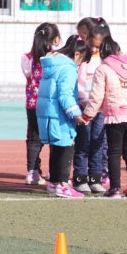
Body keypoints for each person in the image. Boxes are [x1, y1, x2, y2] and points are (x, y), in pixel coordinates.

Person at [82, 36, 127, 199]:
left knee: (114, 153)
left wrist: (88, 114)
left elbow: (96, 95)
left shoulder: (103, 69)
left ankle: (115, 188)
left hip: (115, 116)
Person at [36, 35, 89, 198]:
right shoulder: (68, 68)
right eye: (81, 62)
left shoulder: (53, 65)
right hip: (60, 115)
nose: (79, 66)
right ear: (78, 55)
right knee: (66, 147)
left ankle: (54, 183)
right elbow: (65, 95)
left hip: (49, 113)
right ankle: (63, 184)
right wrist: (76, 114)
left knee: (56, 147)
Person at [72, 18, 109, 194]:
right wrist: (85, 101)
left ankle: (95, 178)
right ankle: (80, 178)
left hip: (100, 110)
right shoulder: (83, 61)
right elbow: (78, 84)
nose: (94, 49)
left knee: (98, 143)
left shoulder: (105, 61)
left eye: (97, 47)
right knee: (83, 143)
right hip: (84, 108)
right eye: (92, 45)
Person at [21, 22, 61, 185]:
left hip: (32, 103)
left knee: (34, 139)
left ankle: (32, 172)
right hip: (51, 103)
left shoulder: (27, 57)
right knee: (54, 137)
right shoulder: (56, 57)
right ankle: (54, 172)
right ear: (56, 39)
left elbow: (28, 74)